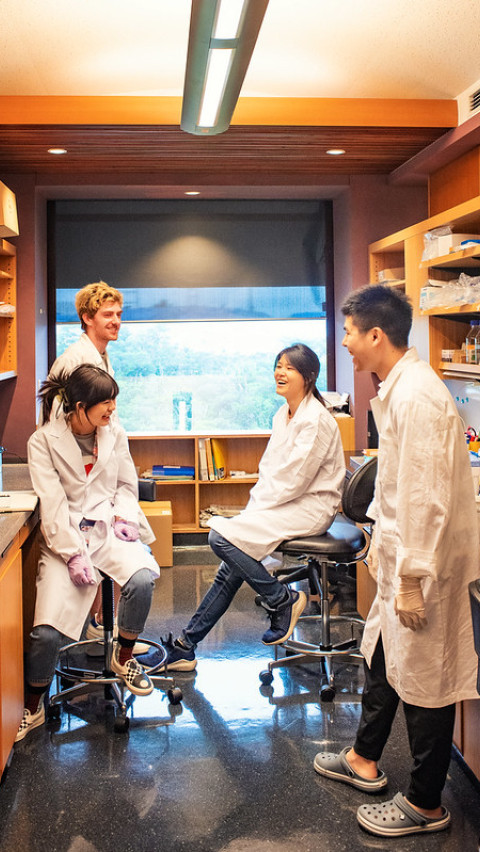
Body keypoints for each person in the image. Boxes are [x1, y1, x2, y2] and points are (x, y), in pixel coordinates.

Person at [313, 284, 479, 839]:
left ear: (376, 335)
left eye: (350, 333)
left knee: (427, 677)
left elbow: (427, 500)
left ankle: (426, 803)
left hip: (425, 569)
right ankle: (364, 758)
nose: (346, 343)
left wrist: (410, 578)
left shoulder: (418, 398)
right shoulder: (399, 388)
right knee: (383, 653)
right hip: (401, 558)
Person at [139, 343, 346, 672]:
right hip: (283, 503)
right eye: (278, 365)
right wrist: (253, 513)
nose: (280, 372)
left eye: (289, 368)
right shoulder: (283, 414)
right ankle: (185, 648)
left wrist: (255, 516)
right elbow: (271, 471)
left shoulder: (316, 421)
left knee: (219, 539)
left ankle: (282, 600)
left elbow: (294, 480)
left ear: (309, 376)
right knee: (228, 570)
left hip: (310, 508)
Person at [16, 365, 159, 742]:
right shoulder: (43, 441)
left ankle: (124, 658)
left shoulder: (115, 433)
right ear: (80, 407)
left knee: (142, 578)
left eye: (113, 402)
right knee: (46, 634)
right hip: (67, 538)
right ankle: (33, 704)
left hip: (109, 528)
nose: (112, 411)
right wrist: (71, 552)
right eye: (106, 404)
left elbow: (127, 485)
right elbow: (53, 502)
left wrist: (126, 518)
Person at [47, 281, 149, 652]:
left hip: (104, 458)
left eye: (119, 314)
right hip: (82, 473)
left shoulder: (100, 354)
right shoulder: (76, 360)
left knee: (126, 532)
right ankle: (100, 624)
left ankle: (106, 621)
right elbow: (58, 425)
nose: (117, 321)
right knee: (104, 539)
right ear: (87, 318)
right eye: (108, 315)